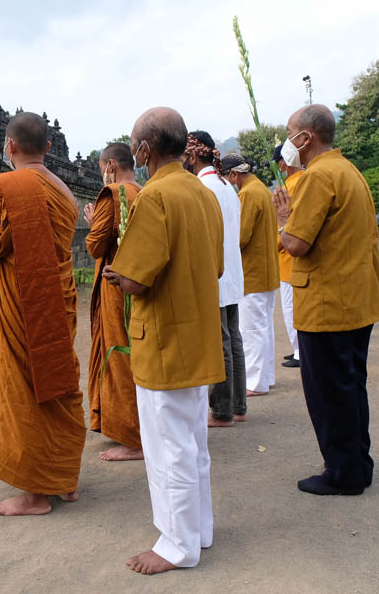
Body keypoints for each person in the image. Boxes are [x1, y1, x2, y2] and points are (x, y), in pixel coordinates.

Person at [103, 107, 225, 574]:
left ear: (145, 150)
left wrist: (118, 274)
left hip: (164, 340)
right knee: (192, 442)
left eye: (134, 145)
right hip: (196, 331)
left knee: (168, 445)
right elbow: (213, 265)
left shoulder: (155, 197)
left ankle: (177, 544)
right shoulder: (202, 191)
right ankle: (199, 530)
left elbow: (136, 277)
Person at [0, 112, 86, 515]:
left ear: (9, 146)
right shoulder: (65, 191)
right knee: (57, 378)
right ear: (49, 148)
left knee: (24, 386)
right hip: (58, 299)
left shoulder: (7, 188)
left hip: (22, 301)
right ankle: (64, 479)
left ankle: (36, 495)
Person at [274, 104, 379, 495]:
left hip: (327, 304)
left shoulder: (317, 177)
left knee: (330, 393)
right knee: (350, 386)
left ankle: (343, 474)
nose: (287, 141)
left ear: (307, 137)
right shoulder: (347, 170)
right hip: (355, 299)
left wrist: (282, 222)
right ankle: (357, 463)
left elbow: (296, 243)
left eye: (290, 133)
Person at [83, 143, 143, 461]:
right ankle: (130, 426)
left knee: (118, 353)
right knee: (132, 352)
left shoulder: (113, 193)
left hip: (114, 283)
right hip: (136, 282)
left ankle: (132, 437)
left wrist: (94, 222)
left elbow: (95, 246)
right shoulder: (142, 191)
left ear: (109, 166)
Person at [182, 131, 246, 427]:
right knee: (232, 338)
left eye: (184, 154)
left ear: (193, 155)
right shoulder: (225, 185)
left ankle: (222, 410)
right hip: (231, 274)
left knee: (222, 341)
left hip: (216, 275)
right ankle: (237, 405)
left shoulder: (204, 187)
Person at [221, 154, 280, 397]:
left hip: (253, 272)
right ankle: (265, 377)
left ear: (234, 174)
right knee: (263, 327)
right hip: (266, 271)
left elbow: (241, 237)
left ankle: (255, 382)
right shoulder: (263, 190)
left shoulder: (247, 194)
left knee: (252, 329)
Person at [272, 142, 304, 368]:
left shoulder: (291, 186)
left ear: (284, 163)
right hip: (294, 258)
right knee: (293, 307)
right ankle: (297, 350)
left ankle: (300, 352)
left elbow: (286, 225)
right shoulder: (302, 180)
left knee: (292, 308)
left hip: (289, 257)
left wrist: (271, 245)